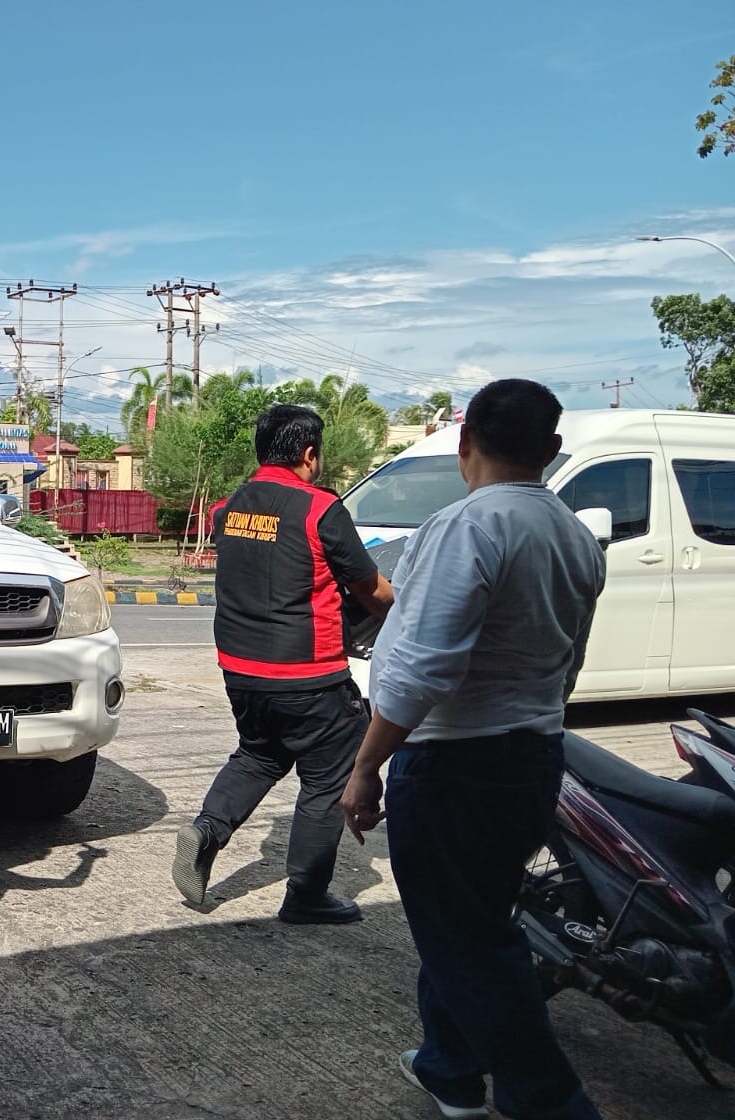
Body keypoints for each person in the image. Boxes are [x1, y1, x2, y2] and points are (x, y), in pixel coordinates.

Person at [340, 379, 606, 1120]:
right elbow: (569, 660)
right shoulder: (575, 535)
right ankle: (448, 1068)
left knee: (471, 944)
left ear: (466, 444)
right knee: (466, 920)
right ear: (551, 451)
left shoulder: (466, 526)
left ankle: (548, 1102)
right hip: (531, 757)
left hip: (457, 763)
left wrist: (366, 768)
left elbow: (423, 665)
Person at [172, 403, 392, 924]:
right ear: (310, 454)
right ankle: (306, 895)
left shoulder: (228, 508)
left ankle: (207, 829)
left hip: (241, 669)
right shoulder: (320, 509)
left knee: (260, 754)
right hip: (309, 675)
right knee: (327, 780)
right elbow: (373, 591)